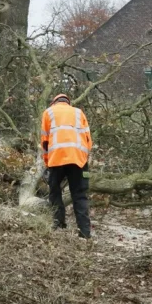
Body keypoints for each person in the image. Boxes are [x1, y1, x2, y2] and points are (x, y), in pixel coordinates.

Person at [41, 93, 92, 238]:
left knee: (55, 191)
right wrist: (84, 158)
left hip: (56, 159)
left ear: (54, 102)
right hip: (78, 160)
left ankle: (59, 224)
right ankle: (85, 233)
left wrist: (47, 162)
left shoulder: (48, 113)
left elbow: (44, 142)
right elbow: (88, 140)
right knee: (79, 195)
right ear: (68, 102)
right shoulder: (78, 112)